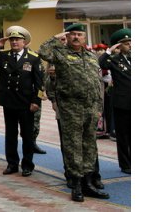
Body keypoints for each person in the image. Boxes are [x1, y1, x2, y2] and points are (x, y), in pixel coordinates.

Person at [39, 23, 109, 202]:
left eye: (80, 34)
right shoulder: (60, 53)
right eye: (73, 35)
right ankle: (76, 185)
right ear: (67, 37)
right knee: (73, 147)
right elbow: (42, 51)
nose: (76, 37)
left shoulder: (92, 56)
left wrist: (99, 108)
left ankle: (88, 183)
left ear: (85, 38)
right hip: (71, 108)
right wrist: (55, 37)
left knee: (89, 147)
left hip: (91, 109)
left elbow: (97, 83)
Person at [0, 28, 43, 177]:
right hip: (9, 101)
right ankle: (12, 163)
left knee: (27, 135)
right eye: (11, 39)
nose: (14, 42)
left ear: (24, 42)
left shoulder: (34, 58)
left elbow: (40, 83)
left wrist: (36, 101)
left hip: (26, 102)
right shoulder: (3, 56)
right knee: (10, 134)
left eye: (17, 39)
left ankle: (27, 164)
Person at [100, 28, 131, 174]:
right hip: (122, 103)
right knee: (123, 135)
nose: (130, 45)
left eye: (131, 42)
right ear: (119, 46)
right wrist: (109, 51)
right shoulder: (114, 60)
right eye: (126, 43)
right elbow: (101, 63)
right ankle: (126, 164)